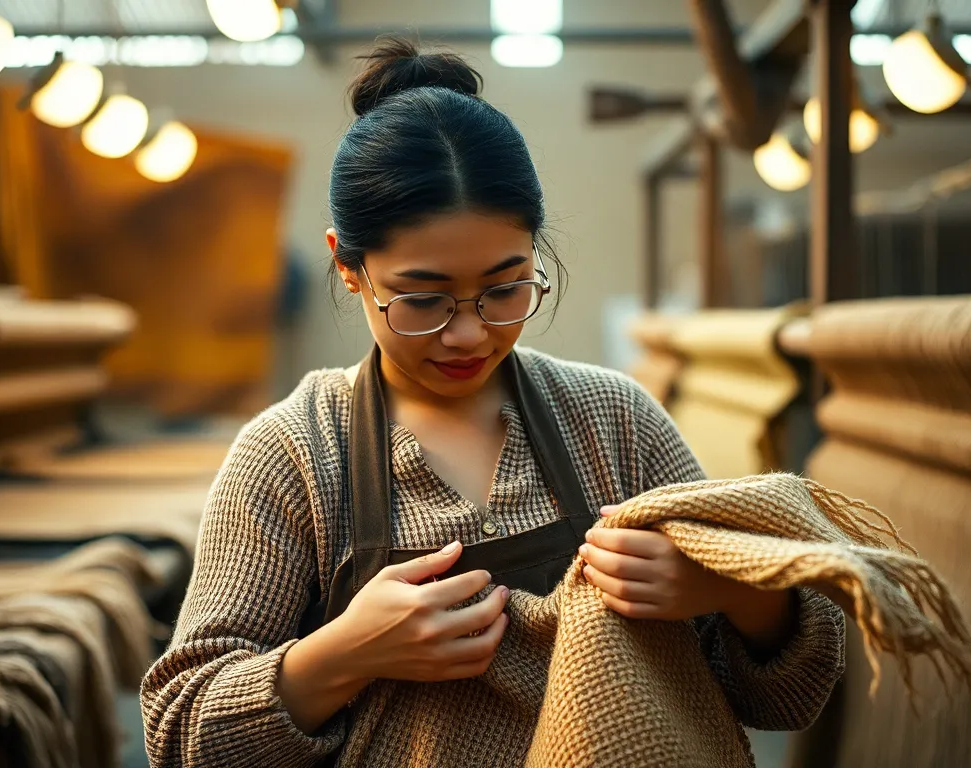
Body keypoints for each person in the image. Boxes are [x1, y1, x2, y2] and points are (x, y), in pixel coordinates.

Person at [140, 38, 844, 767]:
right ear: (348, 268)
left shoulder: (614, 424)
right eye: (423, 299)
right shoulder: (294, 456)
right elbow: (180, 733)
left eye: (505, 288)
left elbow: (790, 698)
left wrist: (734, 594)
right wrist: (340, 655)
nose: (470, 334)